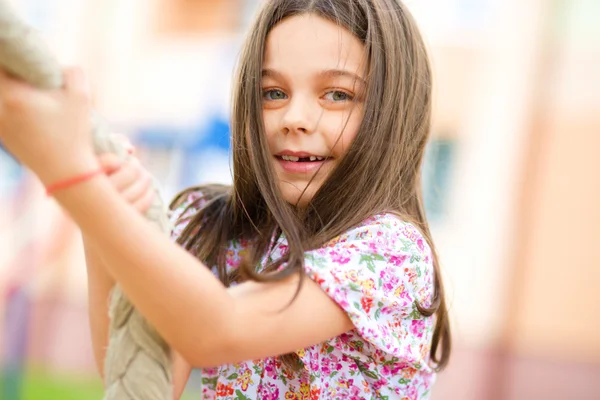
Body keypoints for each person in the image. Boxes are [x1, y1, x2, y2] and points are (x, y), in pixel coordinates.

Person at [0, 0, 451, 398]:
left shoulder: (390, 255)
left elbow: (217, 330)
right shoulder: (219, 227)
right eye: (272, 92)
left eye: (337, 94)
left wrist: (74, 177)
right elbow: (139, 380)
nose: (294, 117)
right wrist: (109, 207)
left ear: (391, 112)